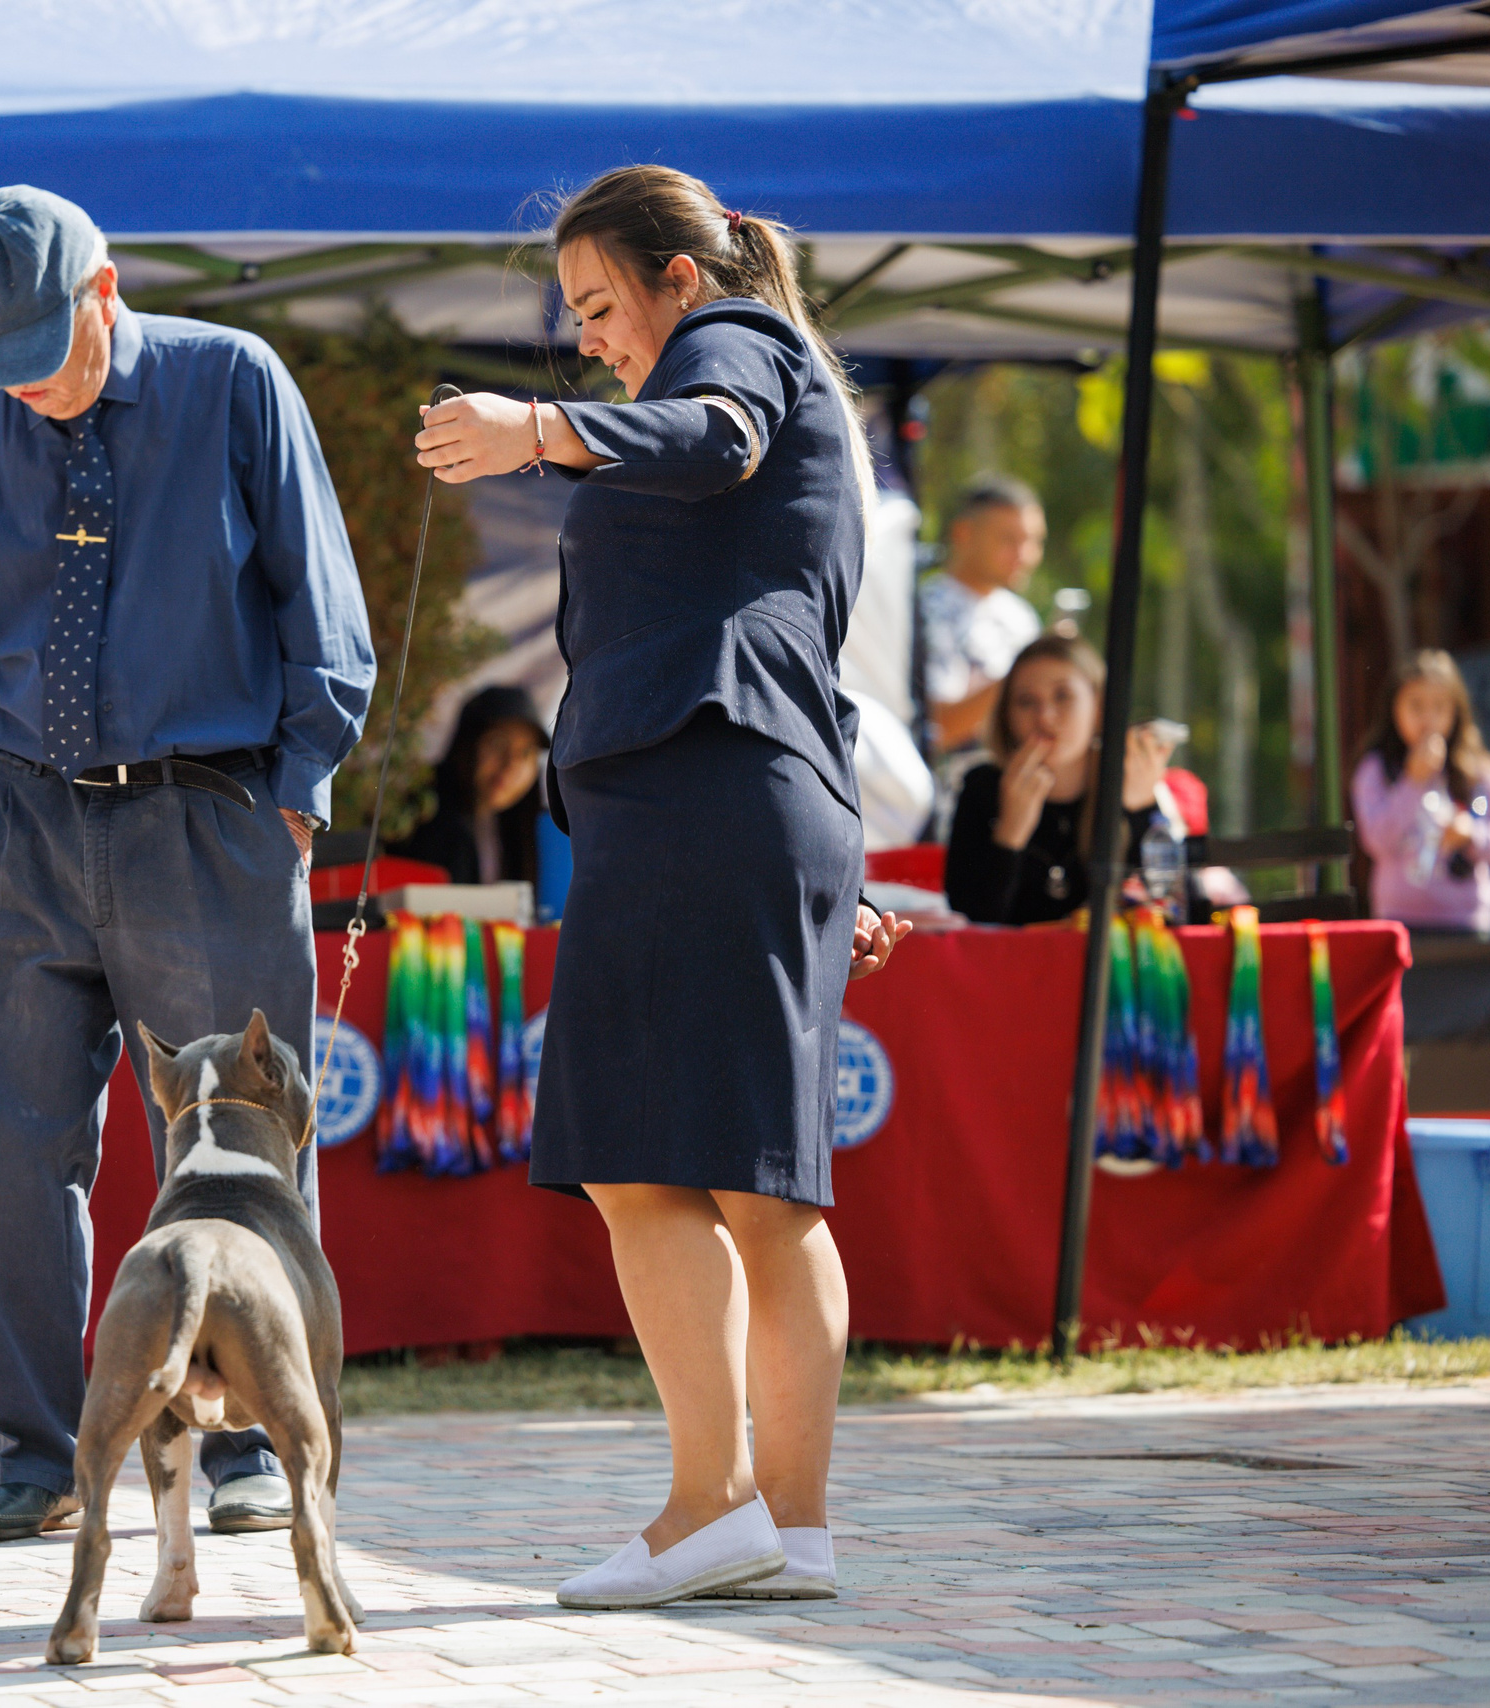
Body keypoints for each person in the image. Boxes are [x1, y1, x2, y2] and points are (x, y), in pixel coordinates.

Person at [0, 186, 375, 1544]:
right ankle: (36, 1454)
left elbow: (328, 615)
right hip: (16, 826)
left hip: (210, 813)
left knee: (233, 1152)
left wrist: (293, 798)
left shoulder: (234, 386)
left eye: (52, 359)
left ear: (107, 291)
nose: (34, 396)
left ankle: (244, 1444)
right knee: (14, 1149)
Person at [412, 164, 907, 1609]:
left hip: (701, 789)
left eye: (600, 305)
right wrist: (829, 867)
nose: (592, 341)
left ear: (679, 278)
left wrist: (536, 432)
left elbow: (715, 433)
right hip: (756, 798)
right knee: (763, 1185)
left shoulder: (730, 344)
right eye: (573, 322)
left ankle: (710, 1505)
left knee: (646, 1163)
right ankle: (790, 1531)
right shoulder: (785, 358)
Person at [943, 635, 1177, 926]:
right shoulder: (982, 787)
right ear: (1006, 717)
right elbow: (972, 919)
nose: (1045, 716)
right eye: (1026, 701)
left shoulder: (1130, 784)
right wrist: (1010, 833)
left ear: (1099, 708)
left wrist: (1141, 811)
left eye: (1063, 696)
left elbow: (1166, 912)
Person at [1351, 649, 1490, 938]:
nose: (1428, 719)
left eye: (1439, 707)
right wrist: (1413, 782)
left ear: (1456, 711)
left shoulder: (1480, 774)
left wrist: (1472, 834)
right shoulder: (1376, 769)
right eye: (1416, 706)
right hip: (1399, 922)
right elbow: (1376, 840)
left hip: (1467, 923)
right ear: (1393, 708)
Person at [920, 475, 1045, 758]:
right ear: (963, 533)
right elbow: (938, 727)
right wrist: (1026, 670)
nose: (1024, 554)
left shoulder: (1021, 616)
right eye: (1008, 539)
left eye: (1034, 541)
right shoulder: (928, 609)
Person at [389, 684, 549, 886]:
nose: (511, 765)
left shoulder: (517, 828)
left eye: (526, 753)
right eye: (497, 744)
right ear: (466, 743)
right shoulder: (422, 817)